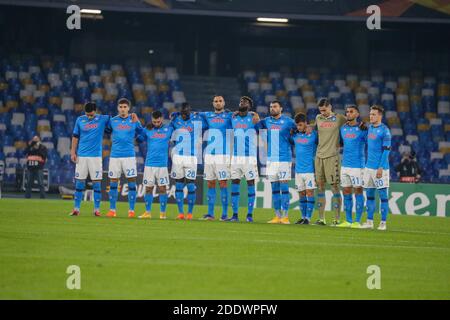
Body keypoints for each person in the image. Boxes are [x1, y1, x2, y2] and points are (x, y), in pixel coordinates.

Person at [254, 100, 296, 224]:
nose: (272, 108)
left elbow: (299, 129)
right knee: (274, 189)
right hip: (271, 160)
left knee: (284, 187)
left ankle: (286, 216)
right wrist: (253, 115)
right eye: (271, 107)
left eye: (275, 106)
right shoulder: (266, 121)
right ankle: (277, 216)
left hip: (284, 159)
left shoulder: (289, 121)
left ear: (281, 108)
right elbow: (255, 126)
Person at [311, 98, 347, 226]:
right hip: (319, 156)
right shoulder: (318, 118)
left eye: (325, 110)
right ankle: (321, 218)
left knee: (334, 187)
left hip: (332, 157)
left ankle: (336, 219)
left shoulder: (340, 118)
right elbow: (313, 130)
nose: (323, 113)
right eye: (320, 111)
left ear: (330, 107)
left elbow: (351, 125)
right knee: (320, 187)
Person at [70, 102, 110, 216]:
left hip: (96, 157)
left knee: (97, 184)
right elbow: (75, 137)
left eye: (91, 115)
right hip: (81, 156)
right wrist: (73, 152)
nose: (89, 117)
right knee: (79, 184)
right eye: (87, 114)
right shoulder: (80, 120)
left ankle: (96, 210)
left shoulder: (103, 119)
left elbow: (116, 120)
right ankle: (76, 209)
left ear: (96, 111)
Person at [197, 95, 233, 221]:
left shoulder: (229, 116)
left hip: (222, 154)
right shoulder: (207, 115)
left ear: (224, 103)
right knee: (210, 183)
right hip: (209, 154)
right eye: (216, 101)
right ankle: (210, 214)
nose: (218, 103)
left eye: (220, 101)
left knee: (223, 183)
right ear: (213, 103)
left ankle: (224, 214)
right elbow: (194, 114)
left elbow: (244, 114)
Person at [106, 98, 143, 218]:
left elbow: (142, 133)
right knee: (113, 183)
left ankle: (131, 211)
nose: (122, 109)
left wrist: (137, 125)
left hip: (129, 156)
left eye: (125, 107)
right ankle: (112, 210)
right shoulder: (113, 120)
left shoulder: (133, 120)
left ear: (129, 108)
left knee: (131, 182)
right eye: (121, 107)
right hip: (115, 156)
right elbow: (105, 131)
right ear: (118, 108)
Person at [170, 102, 206, 220]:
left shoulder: (197, 121)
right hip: (178, 157)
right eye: (183, 112)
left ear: (190, 110)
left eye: (187, 112)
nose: (185, 114)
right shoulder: (175, 121)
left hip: (191, 158)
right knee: (179, 185)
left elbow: (209, 122)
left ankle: (190, 213)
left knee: (191, 186)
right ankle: (181, 213)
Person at [138, 110, 174, 219]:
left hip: (162, 165)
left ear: (162, 119)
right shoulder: (148, 129)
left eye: (158, 122)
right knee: (148, 188)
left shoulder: (169, 129)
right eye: (154, 122)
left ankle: (162, 214)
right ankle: (147, 212)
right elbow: (139, 138)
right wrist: (139, 131)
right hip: (149, 164)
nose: (156, 124)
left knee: (162, 189)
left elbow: (178, 124)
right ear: (151, 120)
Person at [229, 96, 259, 222]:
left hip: (249, 158)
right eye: (241, 101)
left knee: (250, 184)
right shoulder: (233, 118)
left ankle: (249, 215)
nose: (242, 103)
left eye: (245, 102)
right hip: (236, 157)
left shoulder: (254, 118)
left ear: (250, 106)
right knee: (234, 184)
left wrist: (256, 114)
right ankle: (235, 215)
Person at [361, 105, 391, 231]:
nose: (371, 116)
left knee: (383, 196)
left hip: (380, 168)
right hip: (368, 167)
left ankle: (383, 223)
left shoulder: (385, 131)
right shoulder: (370, 129)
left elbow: (386, 151)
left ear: (380, 116)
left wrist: (381, 167)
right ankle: (369, 221)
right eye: (370, 114)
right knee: (370, 195)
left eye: (373, 114)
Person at [337, 105, 368, 228]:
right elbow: (340, 144)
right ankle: (348, 220)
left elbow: (370, 143)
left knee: (358, 191)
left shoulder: (362, 128)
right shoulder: (343, 128)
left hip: (358, 166)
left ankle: (357, 221)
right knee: (346, 192)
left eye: (351, 112)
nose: (348, 114)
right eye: (347, 112)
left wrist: (367, 129)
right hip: (345, 165)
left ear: (357, 114)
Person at [290, 113, 317, 225]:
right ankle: (302, 217)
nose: (299, 127)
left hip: (310, 170)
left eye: (301, 125)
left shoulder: (314, 135)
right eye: (297, 125)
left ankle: (308, 218)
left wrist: (312, 127)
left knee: (310, 193)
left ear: (306, 123)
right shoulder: (295, 135)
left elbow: (320, 127)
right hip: (298, 171)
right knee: (301, 194)